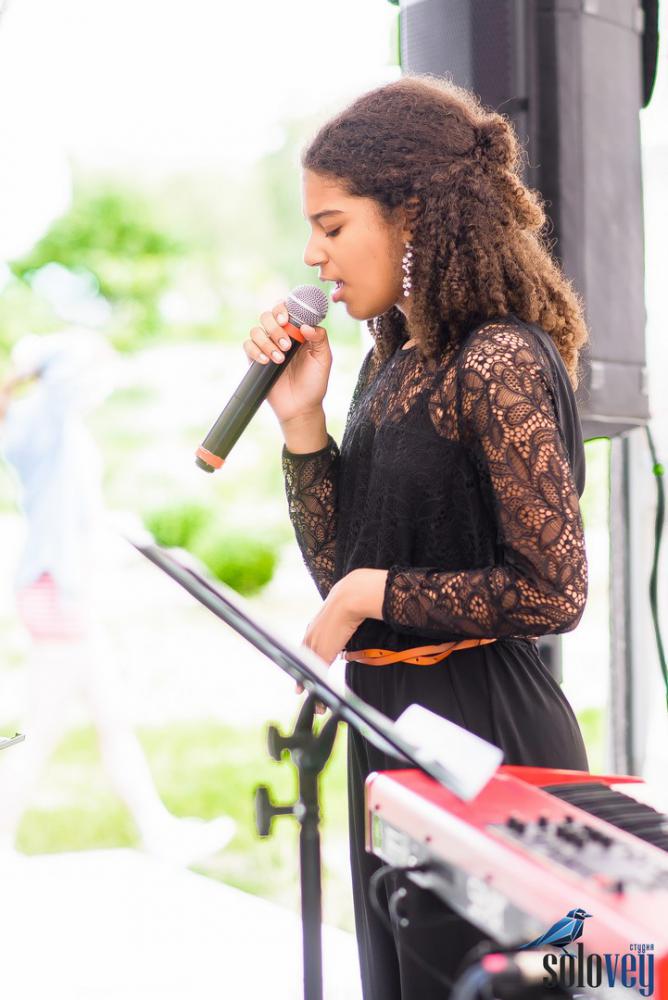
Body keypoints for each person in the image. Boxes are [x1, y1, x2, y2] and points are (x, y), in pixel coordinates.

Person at [243, 75, 589, 999]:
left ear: (414, 216)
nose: (312, 256)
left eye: (332, 225)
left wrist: (373, 593)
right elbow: (343, 570)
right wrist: (302, 423)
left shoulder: (499, 358)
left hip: (484, 727)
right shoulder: (392, 362)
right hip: (389, 720)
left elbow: (553, 589)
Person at [0, 330, 235, 865]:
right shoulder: (46, 423)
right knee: (40, 729)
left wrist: (146, 547)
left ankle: (159, 832)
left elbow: (83, 519)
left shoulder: (49, 427)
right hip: (58, 594)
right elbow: (65, 364)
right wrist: (56, 356)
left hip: (60, 591)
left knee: (111, 720)